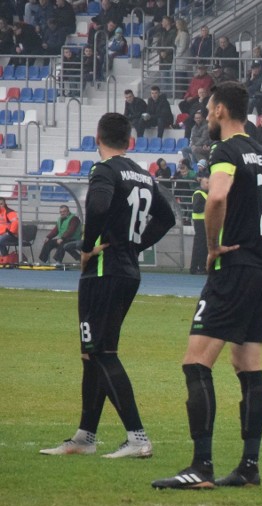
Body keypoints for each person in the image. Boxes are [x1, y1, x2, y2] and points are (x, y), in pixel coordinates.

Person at [151, 82, 262, 490]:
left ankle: (200, 467)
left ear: (219, 110)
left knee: (196, 362)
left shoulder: (226, 152)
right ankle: (249, 467)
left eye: (208, 108)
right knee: (247, 365)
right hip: (259, 270)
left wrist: (215, 246)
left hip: (233, 268)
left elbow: (215, 198)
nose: (206, 114)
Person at [40, 113, 176, 458]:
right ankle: (86, 436)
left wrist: (86, 249)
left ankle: (138, 437)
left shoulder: (105, 170)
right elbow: (168, 217)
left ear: (97, 137)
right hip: (127, 269)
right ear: (130, 140)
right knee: (93, 354)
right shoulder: (143, 175)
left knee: (101, 352)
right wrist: (135, 245)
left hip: (103, 271)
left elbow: (98, 205)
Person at [188, 172, 208, 275]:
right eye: (206, 182)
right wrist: (209, 205)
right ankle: (198, 267)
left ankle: (198, 267)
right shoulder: (199, 193)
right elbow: (196, 209)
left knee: (202, 245)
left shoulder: (205, 193)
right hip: (200, 222)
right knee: (200, 245)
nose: (208, 184)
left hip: (204, 221)